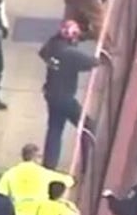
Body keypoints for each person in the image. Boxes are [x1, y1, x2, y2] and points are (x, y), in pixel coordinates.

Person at [38, 20, 97, 169]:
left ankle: (49, 165)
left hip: (51, 94)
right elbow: (91, 62)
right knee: (87, 126)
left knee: (55, 129)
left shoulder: (52, 46)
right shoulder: (69, 53)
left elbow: (43, 52)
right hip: (64, 98)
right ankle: (86, 165)